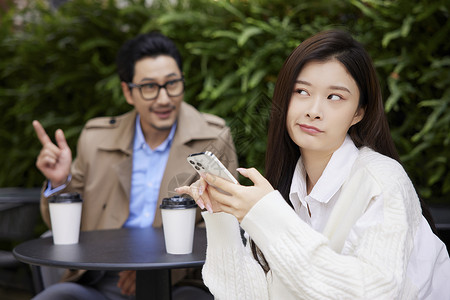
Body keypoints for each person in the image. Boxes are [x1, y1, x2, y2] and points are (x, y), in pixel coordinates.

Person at [176, 29, 450, 299]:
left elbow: (372, 293)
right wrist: (221, 214)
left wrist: (268, 215)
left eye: (334, 97)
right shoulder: (287, 186)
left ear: (358, 113)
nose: (313, 110)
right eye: (302, 91)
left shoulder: (382, 180)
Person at [31, 32, 237, 300]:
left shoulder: (213, 137)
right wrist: (60, 183)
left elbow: (225, 222)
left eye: (172, 84)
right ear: (128, 92)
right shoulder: (96, 139)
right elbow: (66, 226)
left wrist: (159, 270)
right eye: (149, 87)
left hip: (179, 281)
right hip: (103, 278)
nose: (164, 99)